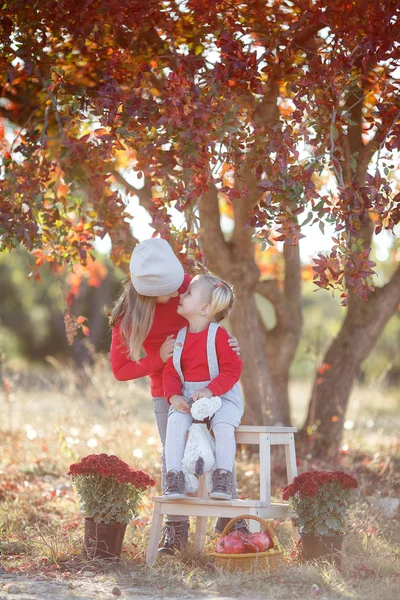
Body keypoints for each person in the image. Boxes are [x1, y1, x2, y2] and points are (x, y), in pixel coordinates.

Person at [108, 238, 248, 556]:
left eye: (180, 287)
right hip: (169, 393)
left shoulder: (188, 287)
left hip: (210, 388)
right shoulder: (128, 314)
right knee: (173, 454)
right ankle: (176, 531)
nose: (177, 294)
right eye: (170, 292)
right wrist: (158, 358)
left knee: (219, 441)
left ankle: (230, 522)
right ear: (146, 291)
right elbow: (120, 370)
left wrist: (228, 343)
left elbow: (213, 309)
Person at [163, 274, 244, 504]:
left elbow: (232, 370)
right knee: (175, 422)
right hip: (189, 397)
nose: (182, 295)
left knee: (223, 425)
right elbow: (170, 372)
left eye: (188, 293)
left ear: (205, 308)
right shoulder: (179, 338)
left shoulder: (219, 335)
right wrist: (173, 396)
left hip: (222, 396)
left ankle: (223, 476)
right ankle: (174, 476)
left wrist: (210, 391)